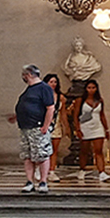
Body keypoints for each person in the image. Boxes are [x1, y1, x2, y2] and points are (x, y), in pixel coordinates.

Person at [11, 65, 57, 193]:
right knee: (28, 155)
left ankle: (43, 181)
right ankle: (29, 181)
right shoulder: (29, 90)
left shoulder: (44, 88)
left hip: (38, 127)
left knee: (42, 155)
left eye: (24, 75)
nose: (23, 77)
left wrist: (46, 125)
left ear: (29, 74)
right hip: (25, 127)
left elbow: (50, 108)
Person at [77, 79, 110, 181]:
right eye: (89, 88)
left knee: (98, 150)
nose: (91, 90)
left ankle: (101, 172)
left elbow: (102, 115)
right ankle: (82, 169)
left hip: (97, 126)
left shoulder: (100, 100)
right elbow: (76, 115)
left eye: (93, 88)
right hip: (85, 126)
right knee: (84, 150)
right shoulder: (80, 100)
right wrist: (78, 128)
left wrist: (107, 129)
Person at [44, 72, 69, 180]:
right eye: (51, 82)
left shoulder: (61, 97)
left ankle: (52, 171)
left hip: (56, 125)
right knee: (43, 148)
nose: (53, 84)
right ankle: (40, 169)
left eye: (55, 82)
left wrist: (66, 126)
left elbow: (63, 114)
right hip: (44, 125)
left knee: (54, 149)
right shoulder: (42, 96)